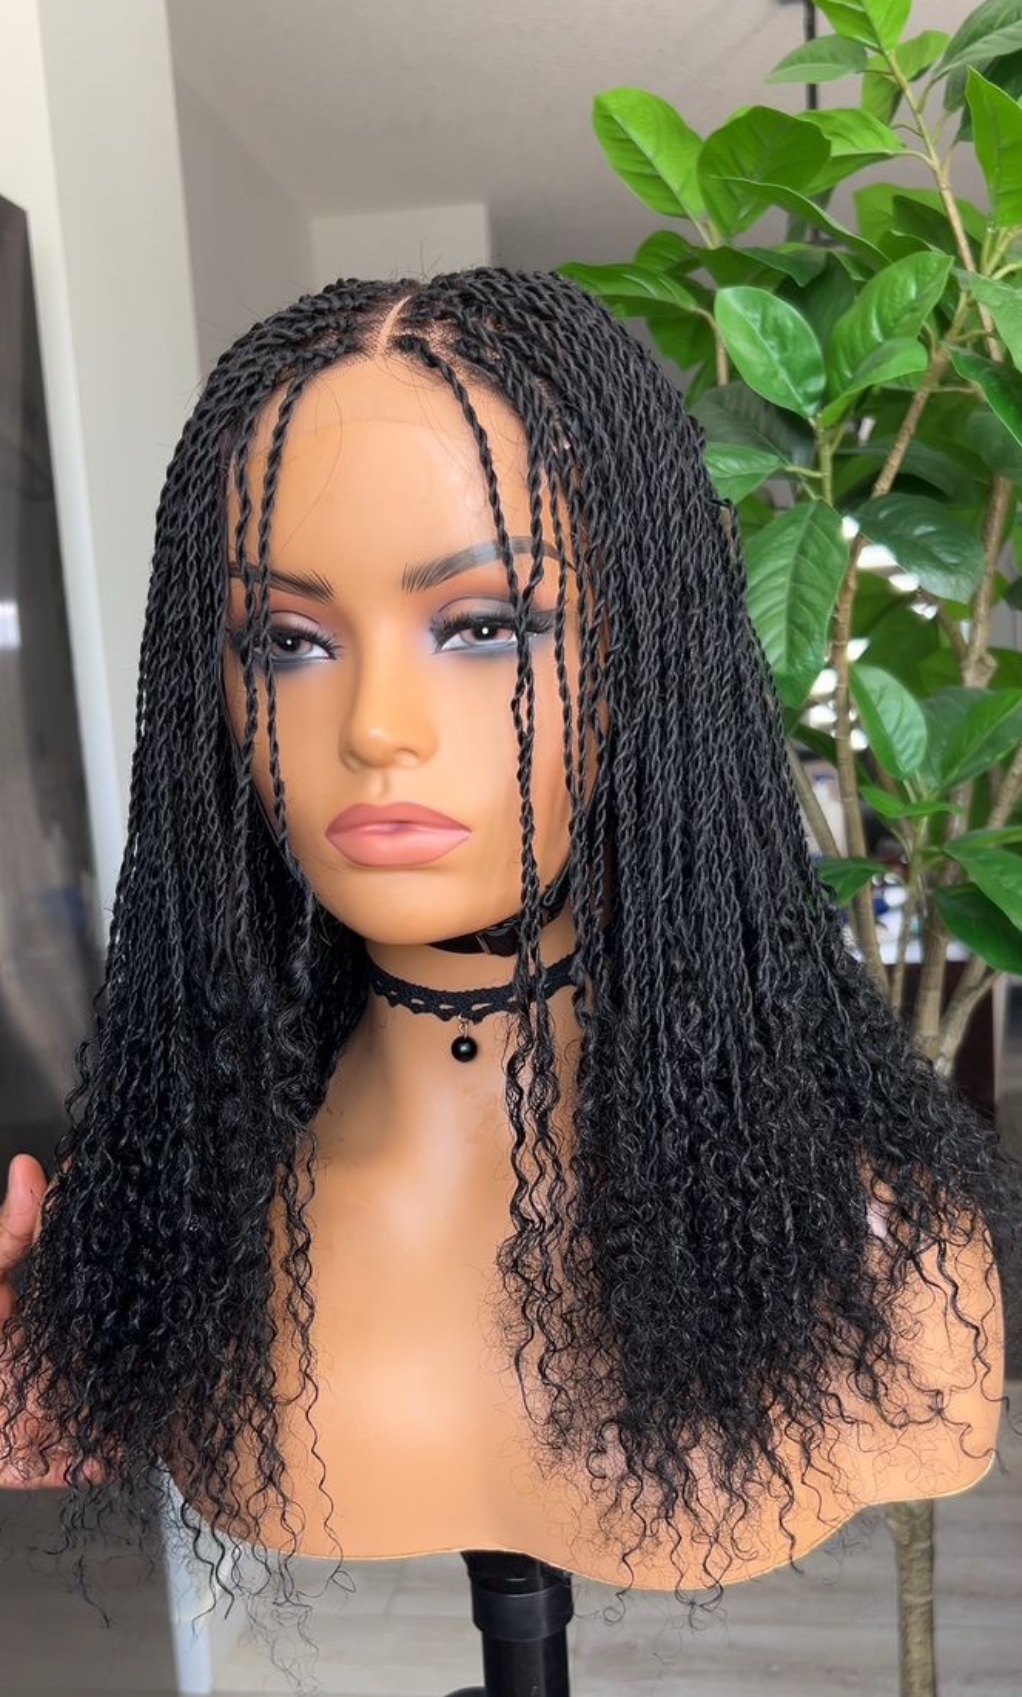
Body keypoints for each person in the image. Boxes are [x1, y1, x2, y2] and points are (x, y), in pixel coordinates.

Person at [0, 270, 1015, 1621]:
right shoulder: (168, 1238)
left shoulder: (884, 1265)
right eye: (289, 640)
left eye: (483, 626)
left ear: (643, 651)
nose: (377, 725)